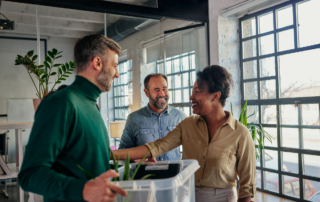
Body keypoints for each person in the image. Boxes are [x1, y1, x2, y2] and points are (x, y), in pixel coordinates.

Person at [112, 65, 256, 202]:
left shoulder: (240, 134)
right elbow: (156, 147)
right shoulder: (188, 124)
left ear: (215, 96)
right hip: (188, 194)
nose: (191, 97)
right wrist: (110, 154)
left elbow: (247, 186)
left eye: (197, 92)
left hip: (223, 197)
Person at [18, 34, 128, 202]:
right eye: (115, 66)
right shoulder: (61, 103)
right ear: (97, 63)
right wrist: (84, 190)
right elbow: (30, 174)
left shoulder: (91, 104)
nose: (117, 74)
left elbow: (88, 157)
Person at [118, 73, 186, 161]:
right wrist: (135, 160)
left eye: (164, 89)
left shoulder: (180, 116)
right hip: (146, 174)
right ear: (146, 92)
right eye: (156, 90)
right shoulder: (133, 119)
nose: (161, 93)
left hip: (175, 174)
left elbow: (191, 147)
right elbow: (123, 150)